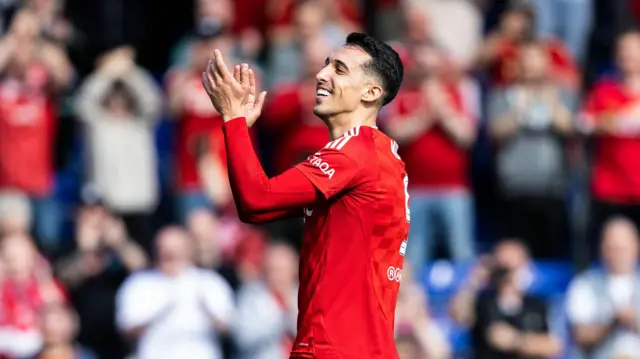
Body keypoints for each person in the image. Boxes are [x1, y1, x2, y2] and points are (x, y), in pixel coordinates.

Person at [201, 32, 408, 359]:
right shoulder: (383, 155)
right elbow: (259, 210)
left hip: (332, 349)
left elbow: (256, 200)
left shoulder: (354, 152)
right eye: (326, 65)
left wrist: (234, 121)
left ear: (371, 92)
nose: (321, 74)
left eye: (339, 69)